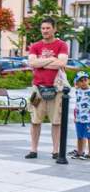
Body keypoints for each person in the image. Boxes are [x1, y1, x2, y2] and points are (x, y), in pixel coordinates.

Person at [25, 17, 69, 159]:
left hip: (57, 89)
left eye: (48, 28)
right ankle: (33, 150)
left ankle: (56, 151)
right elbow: (31, 63)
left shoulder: (62, 45)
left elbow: (62, 62)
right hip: (37, 89)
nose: (45, 31)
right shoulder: (35, 46)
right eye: (43, 28)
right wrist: (51, 60)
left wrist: (41, 63)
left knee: (56, 121)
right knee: (35, 120)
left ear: (54, 29)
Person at [70, 71, 90, 160]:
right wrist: (75, 117)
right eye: (81, 80)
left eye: (85, 80)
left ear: (88, 80)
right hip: (78, 118)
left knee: (89, 136)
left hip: (88, 119)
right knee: (80, 136)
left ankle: (89, 153)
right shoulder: (77, 91)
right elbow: (77, 105)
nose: (83, 82)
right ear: (77, 82)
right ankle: (80, 152)